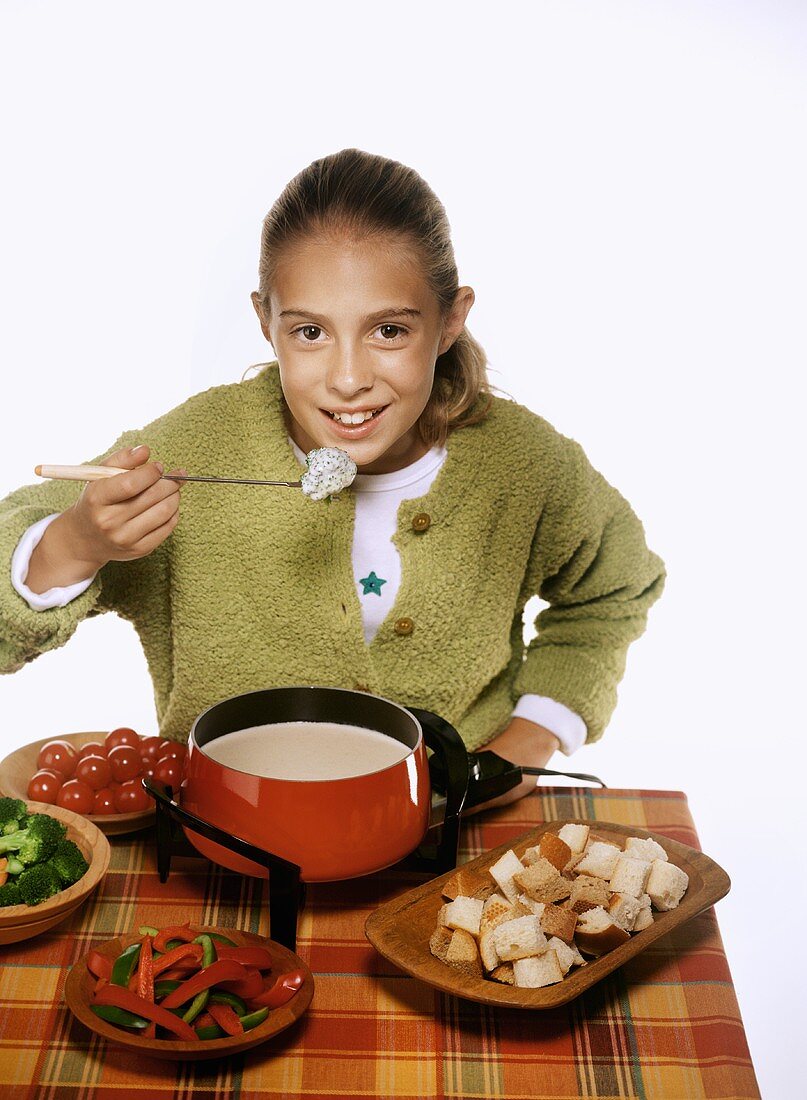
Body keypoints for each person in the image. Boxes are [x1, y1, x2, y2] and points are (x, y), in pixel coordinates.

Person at [0, 148, 665, 808]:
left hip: (455, 836)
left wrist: (533, 735)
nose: (348, 378)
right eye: (311, 331)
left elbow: (613, 591)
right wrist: (74, 543)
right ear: (266, 323)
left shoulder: (520, 463)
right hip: (231, 835)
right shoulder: (193, 448)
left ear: (448, 322)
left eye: (388, 330)